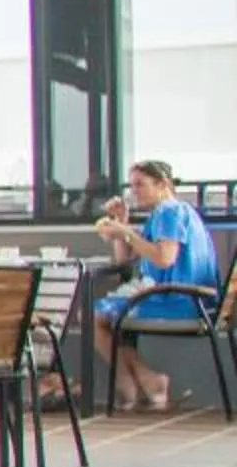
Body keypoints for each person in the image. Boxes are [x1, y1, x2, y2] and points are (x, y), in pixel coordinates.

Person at [93, 157, 224, 412]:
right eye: (131, 186)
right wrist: (124, 222)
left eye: (140, 185)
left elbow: (164, 258)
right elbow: (125, 259)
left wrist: (125, 232)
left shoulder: (169, 212)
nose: (134, 192)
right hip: (193, 300)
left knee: (95, 318)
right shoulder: (166, 214)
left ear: (162, 184)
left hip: (179, 300)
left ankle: (135, 382)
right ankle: (146, 380)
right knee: (105, 317)